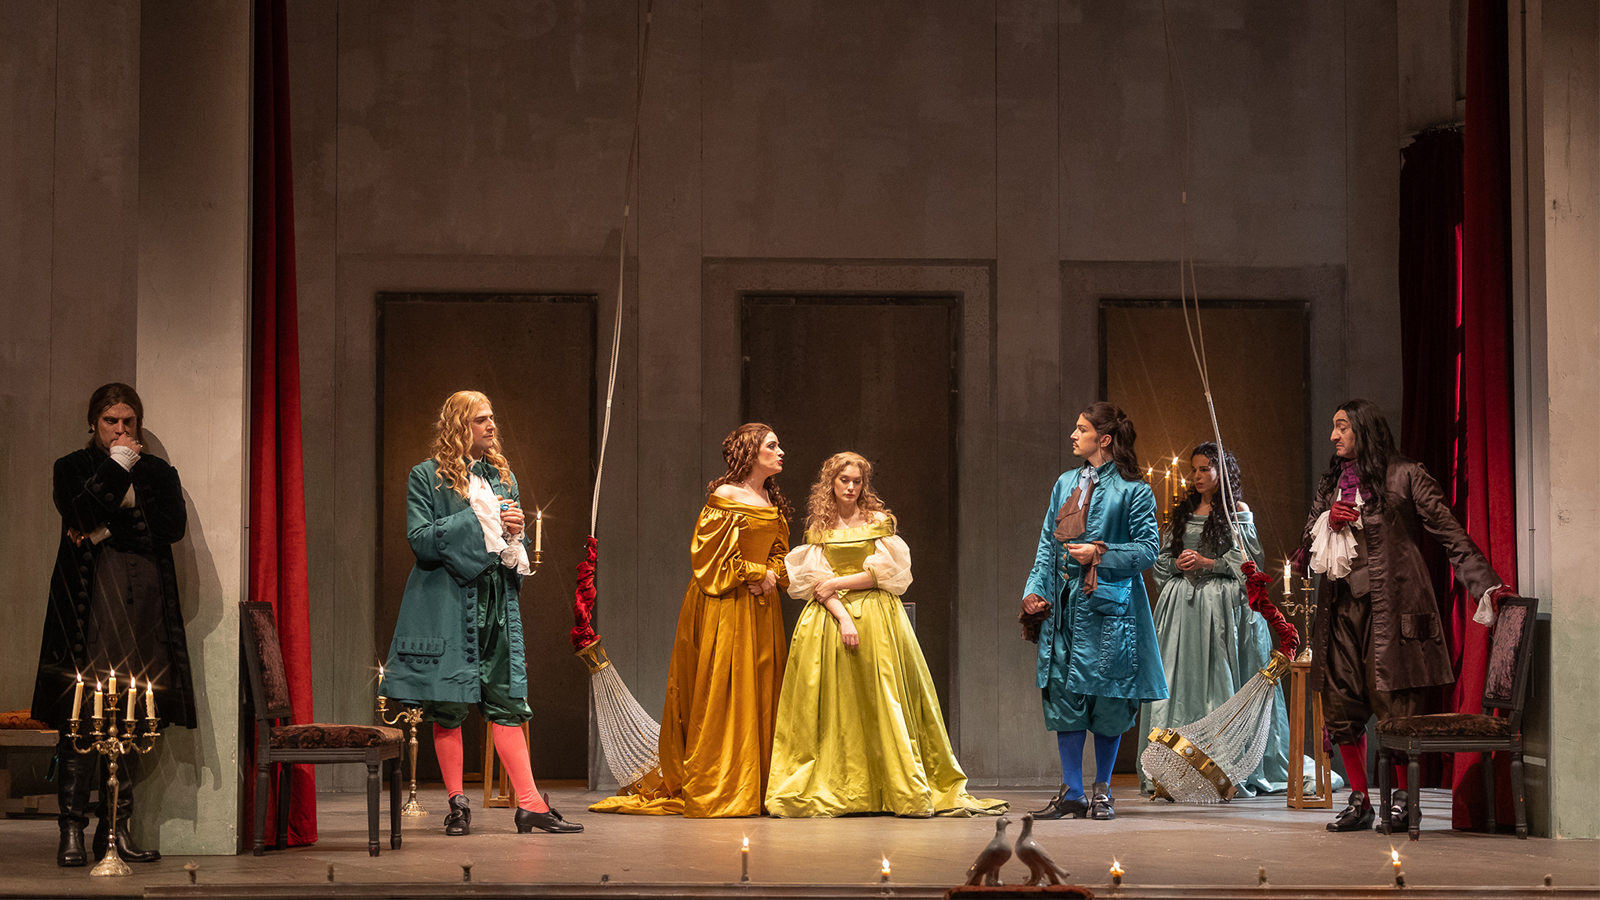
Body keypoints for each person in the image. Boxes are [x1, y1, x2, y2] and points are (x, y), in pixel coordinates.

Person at [1297, 399, 1509, 832]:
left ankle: (1403, 802)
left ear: (1363, 428)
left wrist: (1487, 585)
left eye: (1342, 427)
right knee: (1341, 705)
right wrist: (1326, 522)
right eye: (1333, 427)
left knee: (1395, 707)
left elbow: (1450, 533)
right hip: (1341, 609)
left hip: (1393, 609)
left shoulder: (1406, 474)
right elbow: (1306, 543)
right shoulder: (1332, 482)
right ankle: (1360, 800)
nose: (1334, 436)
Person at [381, 390, 580, 835]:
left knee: (508, 701)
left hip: (496, 601)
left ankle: (530, 804)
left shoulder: (502, 478)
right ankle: (457, 804)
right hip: (448, 603)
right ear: (459, 425)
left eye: (492, 418)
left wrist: (515, 532)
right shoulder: (426, 476)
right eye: (480, 419)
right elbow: (421, 541)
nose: (491, 426)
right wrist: (478, 516)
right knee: (448, 705)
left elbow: (507, 542)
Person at [766, 452, 1007, 818]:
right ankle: (845, 787)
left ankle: (893, 784)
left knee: (883, 699)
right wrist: (843, 617)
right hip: (830, 620)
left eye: (857, 481)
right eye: (844, 480)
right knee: (837, 707)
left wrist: (838, 582)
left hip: (878, 618)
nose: (850, 487)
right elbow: (815, 584)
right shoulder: (820, 526)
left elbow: (888, 573)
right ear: (831, 482)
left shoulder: (878, 521)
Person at [32, 383, 196, 867]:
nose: (121, 430)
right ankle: (71, 829)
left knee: (132, 715)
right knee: (81, 716)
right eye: (111, 422)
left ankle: (116, 830)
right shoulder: (72, 467)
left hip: (144, 605)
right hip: (92, 609)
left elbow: (169, 528)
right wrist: (117, 468)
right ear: (93, 423)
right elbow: (79, 512)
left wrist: (106, 528)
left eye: (128, 422)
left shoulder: (159, 472)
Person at [590, 423, 791, 817]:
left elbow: (781, 551)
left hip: (760, 608)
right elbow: (710, 559)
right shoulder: (725, 497)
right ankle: (723, 779)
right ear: (751, 452)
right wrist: (758, 573)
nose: (781, 451)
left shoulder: (769, 499)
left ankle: (756, 781)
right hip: (724, 604)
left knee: (760, 688)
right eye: (772, 445)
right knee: (723, 688)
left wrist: (772, 575)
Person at [1019, 401, 1165, 821]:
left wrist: (1100, 553)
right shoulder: (1065, 483)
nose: (1073, 435)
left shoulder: (1134, 489)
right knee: (1063, 695)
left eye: (1081, 429)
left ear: (1104, 439)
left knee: (1109, 700)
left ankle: (1102, 791)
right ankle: (1072, 792)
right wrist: (1034, 590)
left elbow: (1148, 550)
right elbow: (1047, 545)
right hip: (1065, 608)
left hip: (1110, 609)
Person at [1138, 443, 1291, 797]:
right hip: (1182, 610)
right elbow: (1161, 560)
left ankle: (1224, 765)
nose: (1197, 476)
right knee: (1180, 680)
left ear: (1222, 473)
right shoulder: (1184, 512)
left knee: (1218, 677)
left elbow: (1250, 564)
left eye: (1205, 469)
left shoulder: (1236, 511)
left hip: (1220, 608)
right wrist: (1177, 563)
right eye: (1194, 469)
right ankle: (1172, 765)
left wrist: (1208, 563)